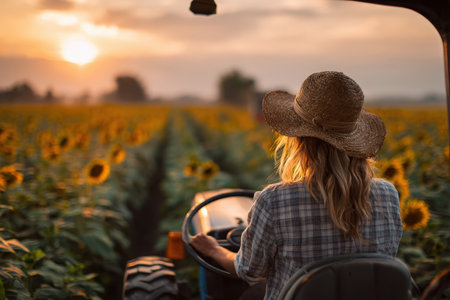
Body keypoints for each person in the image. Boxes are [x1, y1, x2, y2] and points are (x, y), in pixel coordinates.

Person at [191, 71, 403, 300]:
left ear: (299, 141)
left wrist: (214, 249)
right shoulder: (388, 195)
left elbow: (249, 271)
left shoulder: (273, 201)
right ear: (355, 142)